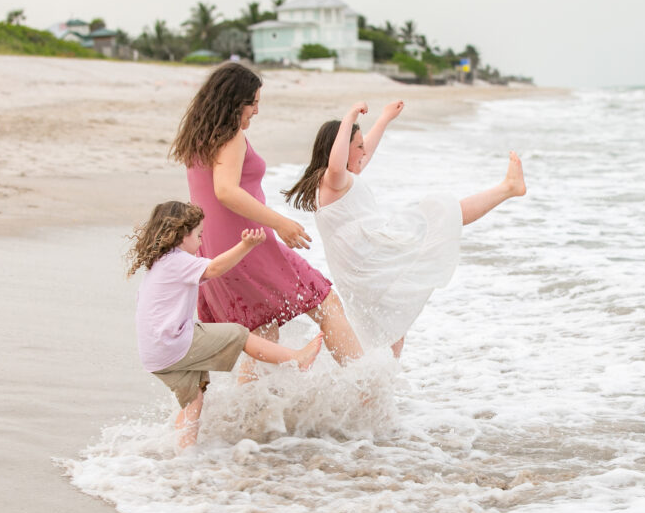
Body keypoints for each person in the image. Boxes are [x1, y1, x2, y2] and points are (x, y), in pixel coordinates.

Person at [283, 100, 526, 357]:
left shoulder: (340, 179)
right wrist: (350, 115)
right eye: (358, 146)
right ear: (340, 149)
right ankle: (508, 188)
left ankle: (383, 383)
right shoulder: (333, 179)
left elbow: (365, 151)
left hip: (366, 260)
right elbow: (336, 163)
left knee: (391, 326)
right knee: (440, 213)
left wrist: (384, 119)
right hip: (370, 258)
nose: (364, 152)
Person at [170, 63, 362, 381]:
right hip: (247, 245)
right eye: (254, 102)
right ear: (235, 102)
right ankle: (367, 387)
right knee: (324, 301)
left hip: (214, 252)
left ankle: (247, 418)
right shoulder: (231, 137)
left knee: (262, 330)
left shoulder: (199, 138)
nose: (257, 110)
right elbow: (226, 191)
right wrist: (281, 223)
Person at [127, 201, 323, 449]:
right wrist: (246, 245)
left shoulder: (159, 264)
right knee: (238, 334)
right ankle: (296, 359)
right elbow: (214, 268)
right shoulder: (176, 260)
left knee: (193, 399)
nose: (200, 242)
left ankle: (183, 455)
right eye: (198, 235)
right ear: (180, 235)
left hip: (156, 354)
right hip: (173, 342)